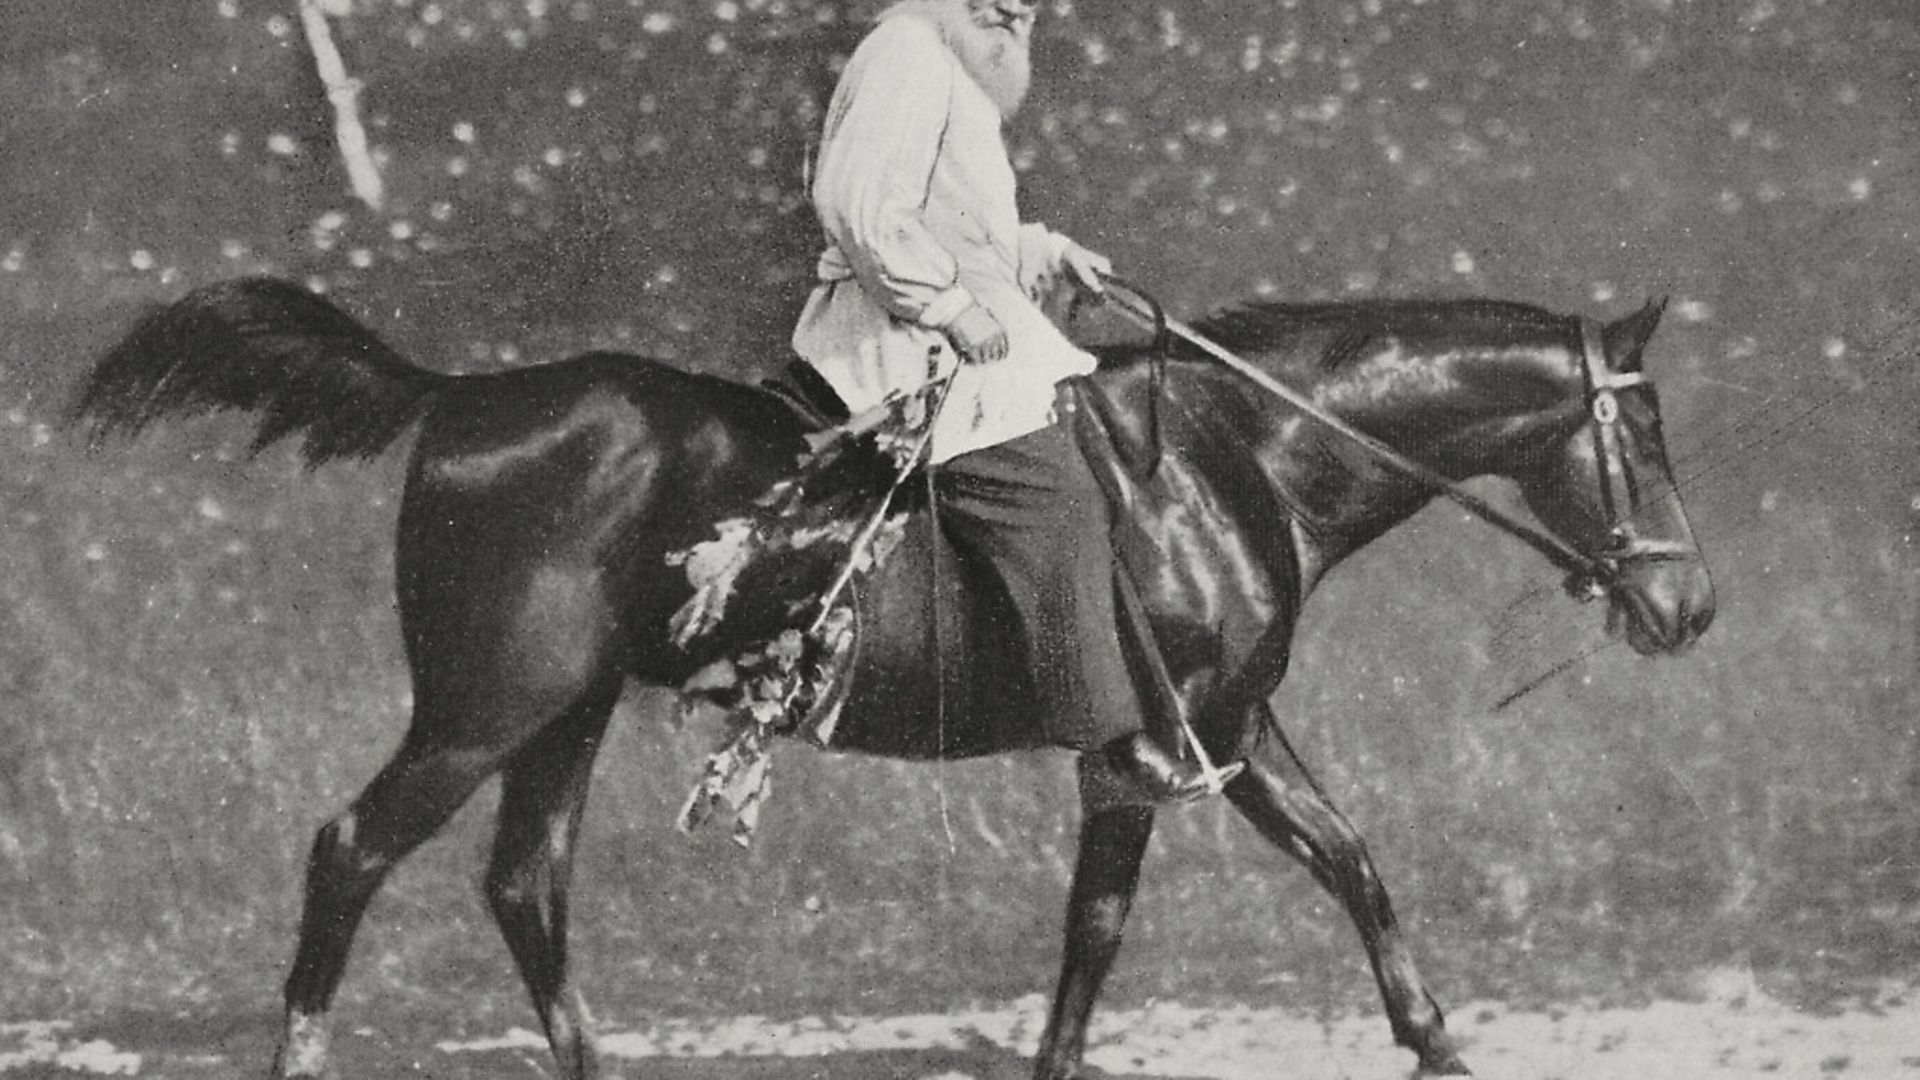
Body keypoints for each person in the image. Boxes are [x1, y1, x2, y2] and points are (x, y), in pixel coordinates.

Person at [791, 0, 1227, 801]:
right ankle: (1110, 749)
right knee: (1053, 498)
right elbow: (858, 206)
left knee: (1096, 456)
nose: (1017, 9)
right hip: (899, 342)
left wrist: (1044, 251)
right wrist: (951, 307)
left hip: (947, 325)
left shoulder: (945, 64)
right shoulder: (909, 51)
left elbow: (952, 223)